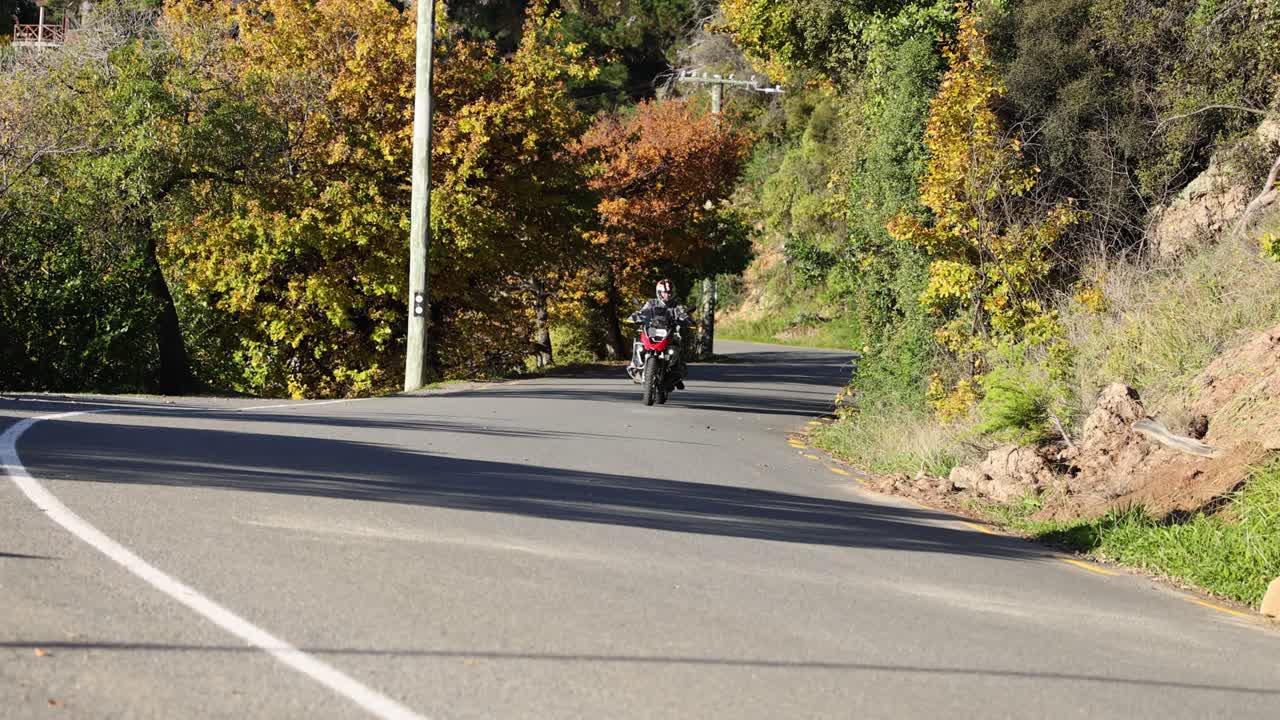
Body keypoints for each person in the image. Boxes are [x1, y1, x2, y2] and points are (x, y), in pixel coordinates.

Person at [628, 279, 691, 388]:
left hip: (668, 332)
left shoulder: (676, 306)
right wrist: (635, 316)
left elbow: (683, 314)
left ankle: (678, 371)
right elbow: (642, 311)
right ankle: (636, 365)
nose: (667, 294)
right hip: (652, 330)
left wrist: (686, 319)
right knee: (639, 345)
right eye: (665, 292)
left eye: (670, 292)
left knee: (678, 345)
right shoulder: (651, 303)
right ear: (659, 292)